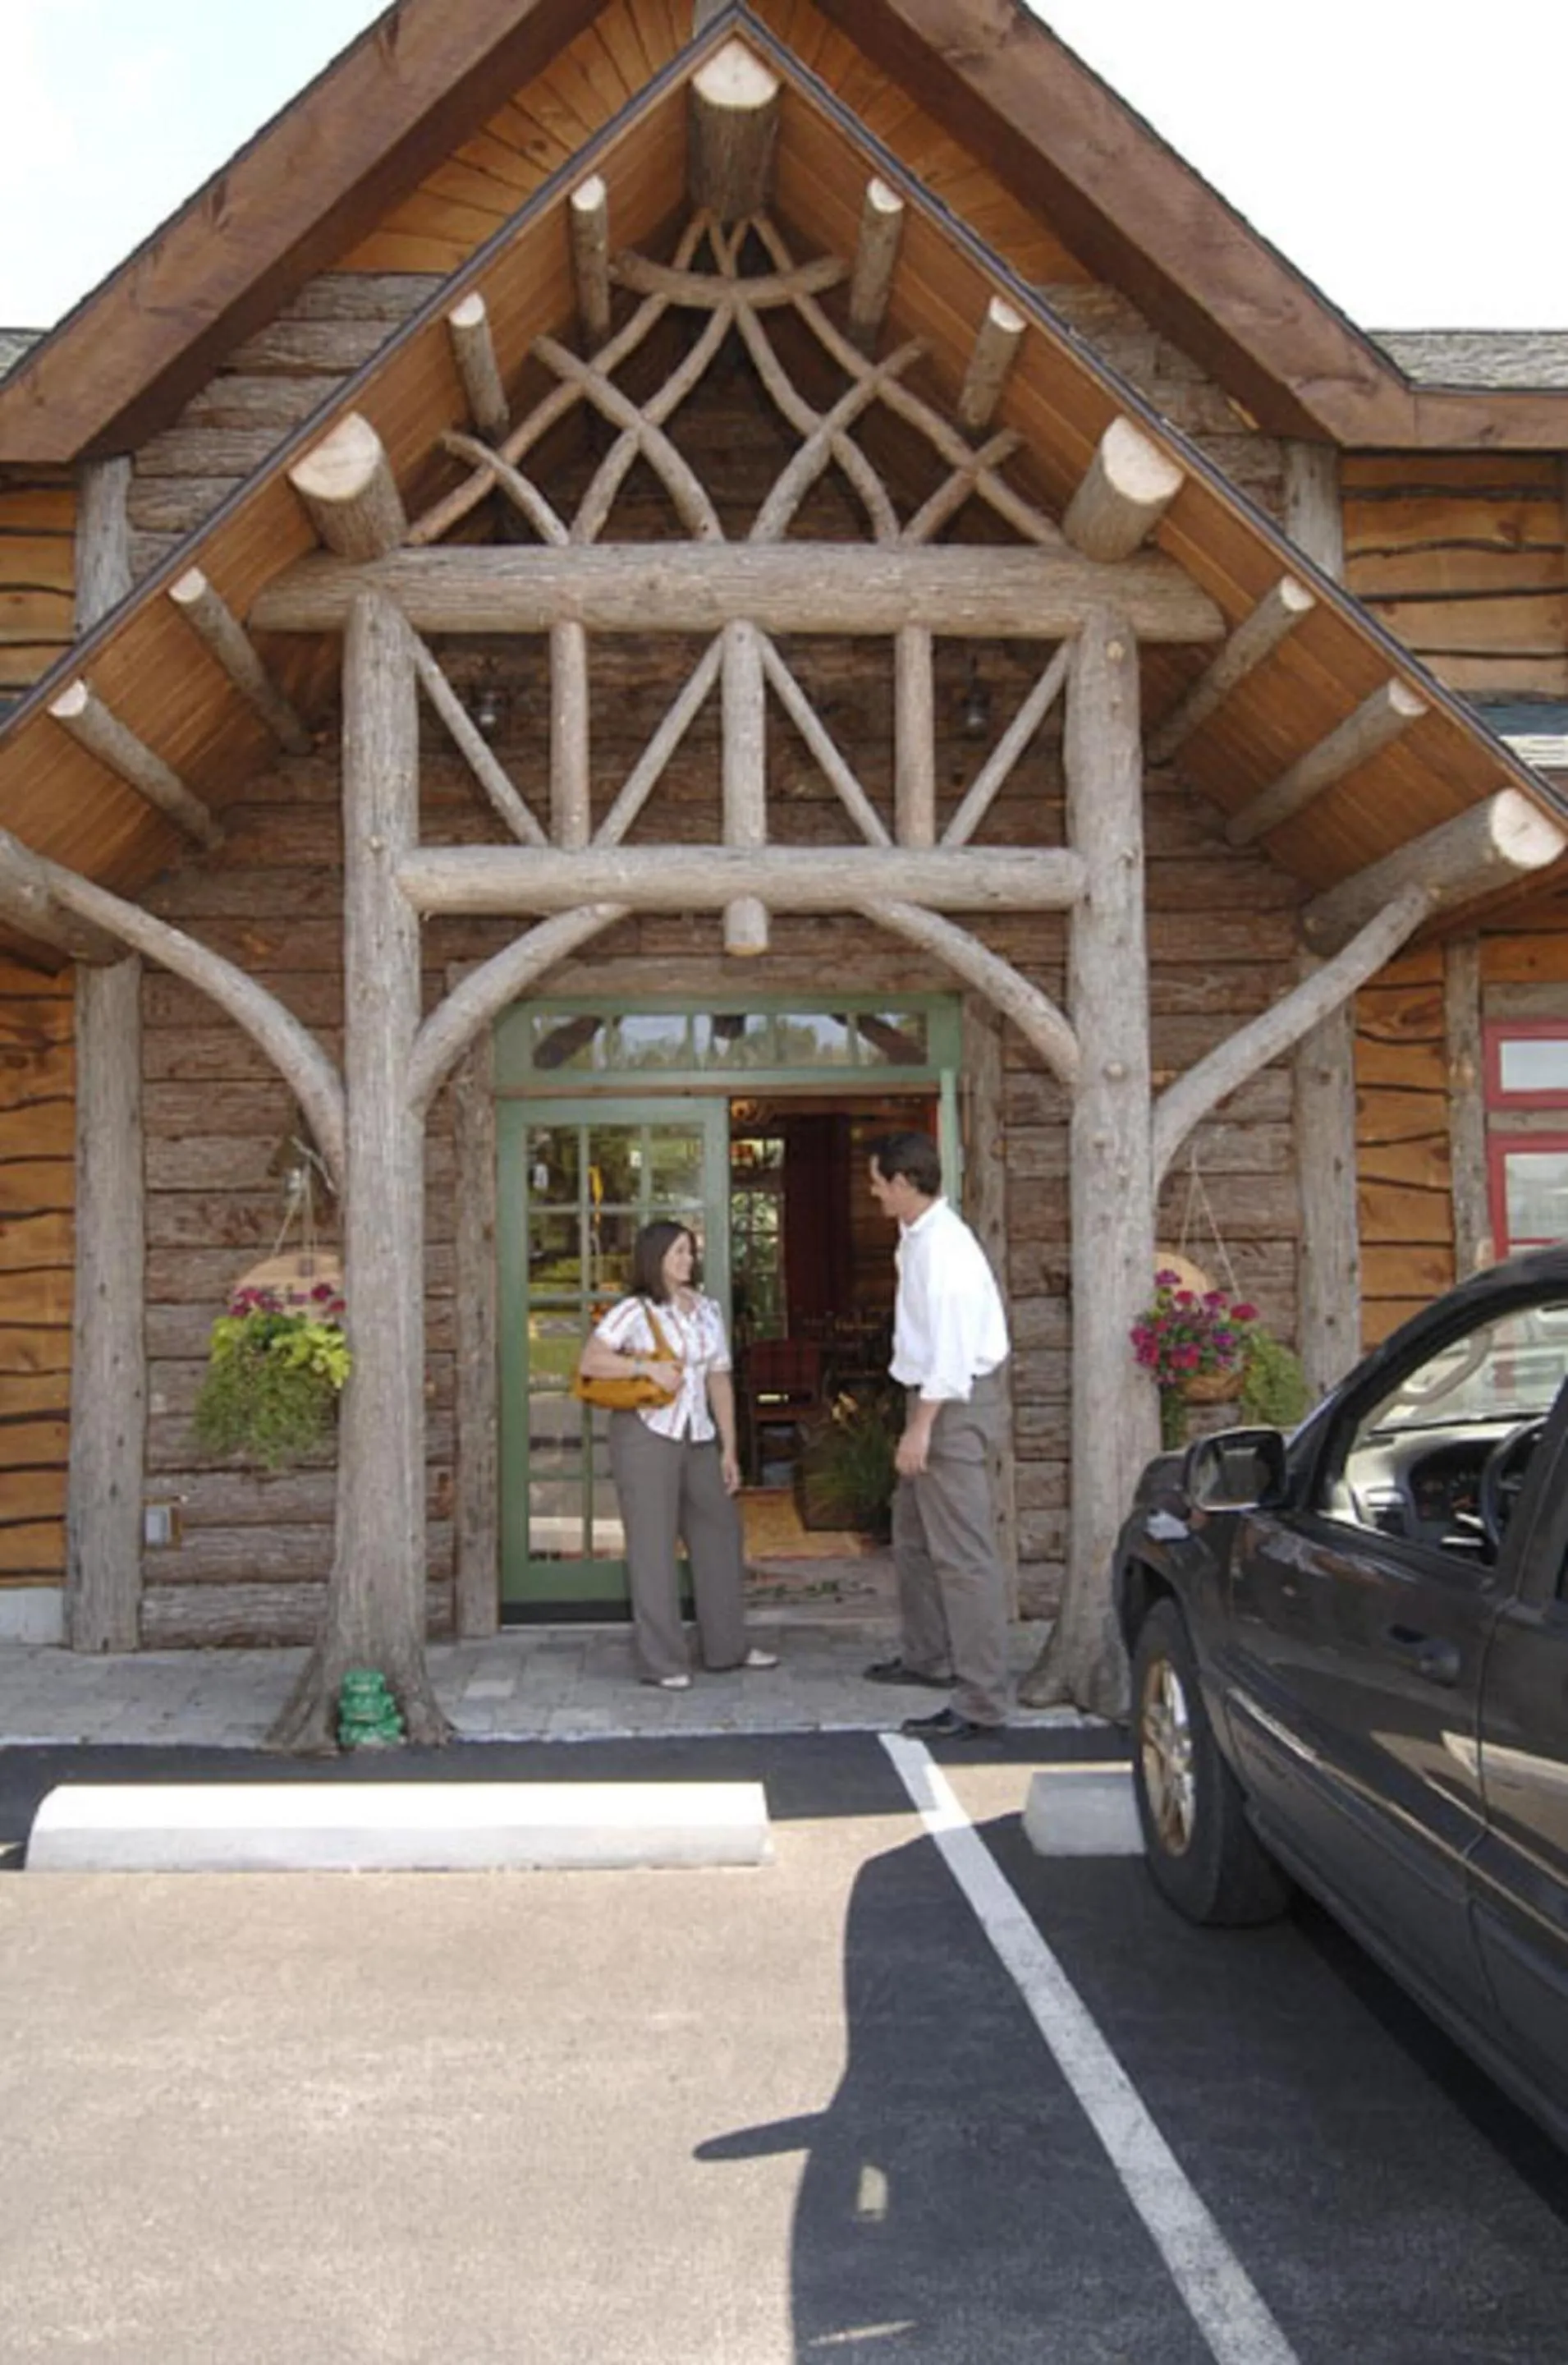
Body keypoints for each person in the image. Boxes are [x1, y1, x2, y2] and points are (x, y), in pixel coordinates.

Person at [577, 1219, 779, 1690]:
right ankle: (663, 1662)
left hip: (699, 1437)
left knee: (721, 1533)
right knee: (652, 1547)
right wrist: (645, 1365)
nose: (687, 1260)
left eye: (690, 1251)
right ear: (655, 1259)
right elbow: (590, 1361)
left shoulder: (707, 1310)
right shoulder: (633, 1311)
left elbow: (719, 1380)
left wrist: (730, 1448)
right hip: (645, 1435)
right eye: (677, 1253)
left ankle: (727, 1647)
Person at [864, 1130, 1011, 1739]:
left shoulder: (945, 1251)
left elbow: (950, 1357)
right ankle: (930, 1658)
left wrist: (920, 1431)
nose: (872, 1194)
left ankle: (982, 1699)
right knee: (914, 1537)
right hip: (931, 1398)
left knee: (963, 1558)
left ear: (903, 1183)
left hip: (951, 1405)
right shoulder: (917, 1238)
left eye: (877, 1183)